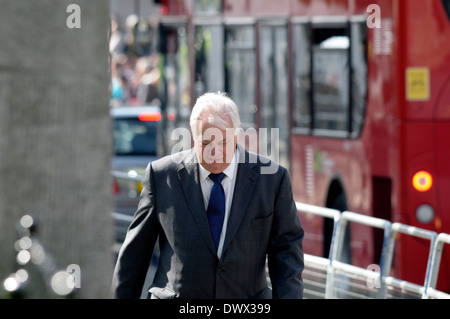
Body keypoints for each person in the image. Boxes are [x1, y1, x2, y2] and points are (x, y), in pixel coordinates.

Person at [112, 92, 304, 299]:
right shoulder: (162, 176)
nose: (215, 152)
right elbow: (134, 256)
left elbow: (287, 255)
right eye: (205, 143)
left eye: (223, 142)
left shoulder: (272, 179)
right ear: (193, 137)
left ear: (237, 135)